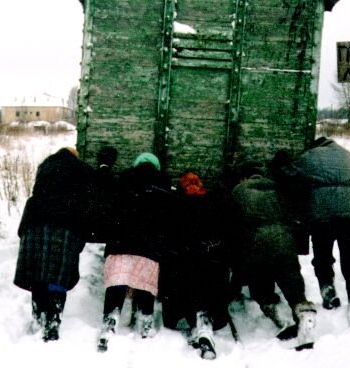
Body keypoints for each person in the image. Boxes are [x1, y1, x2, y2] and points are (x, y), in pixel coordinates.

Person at [229, 160, 317, 351]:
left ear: (244, 177)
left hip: (256, 242)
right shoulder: (280, 190)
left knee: (261, 287)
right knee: (292, 281)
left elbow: (232, 225)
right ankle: (303, 312)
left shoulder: (238, 191)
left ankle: (281, 318)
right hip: (284, 240)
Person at [280, 136, 350, 324]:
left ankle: (328, 292)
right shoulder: (347, 154)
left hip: (323, 216)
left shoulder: (310, 156)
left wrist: (281, 161)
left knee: (323, 257)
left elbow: (288, 173)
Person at [13, 147, 95, 341]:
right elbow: (91, 196)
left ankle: (37, 318)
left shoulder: (45, 167)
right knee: (58, 277)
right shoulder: (81, 169)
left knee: (38, 276)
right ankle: (53, 322)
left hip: (36, 221)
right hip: (65, 224)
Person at [97, 152, 173, 352]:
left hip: (120, 243)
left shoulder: (122, 181)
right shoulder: (164, 185)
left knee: (117, 283)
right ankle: (145, 321)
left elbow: (107, 208)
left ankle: (110, 321)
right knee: (144, 283)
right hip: (149, 248)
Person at [159, 171, 231, 360]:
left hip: (181, 271)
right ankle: (203, 327)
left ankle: (195, 325)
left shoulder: (174, 205)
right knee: (206, 294)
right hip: (210, 267)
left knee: (184, 290)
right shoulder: (213, 204)